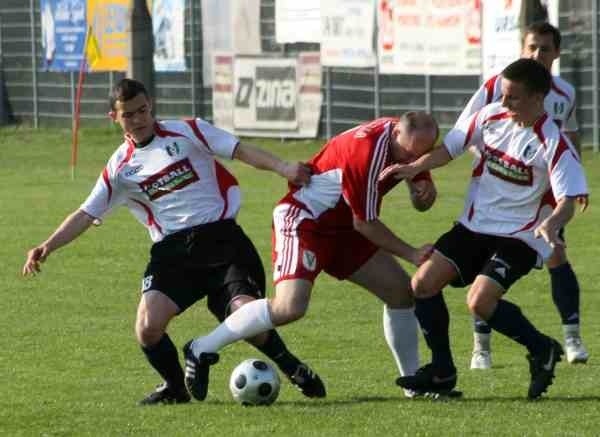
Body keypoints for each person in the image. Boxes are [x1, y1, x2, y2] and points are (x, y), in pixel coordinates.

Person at [22, 78, 326, 405]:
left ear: (151, 105)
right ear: (114, 117)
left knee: (243, 314)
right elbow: (86, 213)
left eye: (143, 111)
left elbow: (240, 150)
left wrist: (283, 167)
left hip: (222, 239)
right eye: (129, 115)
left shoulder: (189, 131)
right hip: (173, 252)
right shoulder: (120, 168)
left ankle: (290, 365)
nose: (138, 120)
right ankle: (175, 387)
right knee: (147, 327)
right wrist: (47, 246)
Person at [180, 113, 440, 401]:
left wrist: (422, 194)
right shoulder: (365, 151)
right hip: (306, 220)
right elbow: (365, 224)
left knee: (400, 293)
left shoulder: (410, 141)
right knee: (290, 306)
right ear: (395, 134)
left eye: (420, 154)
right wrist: (411, 252)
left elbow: (417, 198)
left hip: (343, 227)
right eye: (407, 152)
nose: (411, 159)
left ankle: (413, 385)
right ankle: (201, 347)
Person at [391, 58, 588, 399]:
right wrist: (414, 168)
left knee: (480, 302)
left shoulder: (553, 141)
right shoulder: (489, 116)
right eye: (503, 95)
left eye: (513, 97)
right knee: (422, 284)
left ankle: (542, 349)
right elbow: (448, 150)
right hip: (474, 227)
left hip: (520, 237)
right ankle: (442, 372)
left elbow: (569, 199)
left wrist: (553, 224)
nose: (504, 102)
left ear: (538, 98)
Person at [456, 21, 588, 369]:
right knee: (485, 263)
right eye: (532, 47)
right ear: (522, 47)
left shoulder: (565, 94)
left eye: (545, 48)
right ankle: (480, 347)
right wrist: (498, 158)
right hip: (500, 190)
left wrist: (575, 180)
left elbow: (569, 138)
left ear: (557, 53)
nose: (537, 54)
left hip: (545, 195)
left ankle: (573, 338)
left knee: (557, 254)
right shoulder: (498, 87)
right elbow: (468, 130)